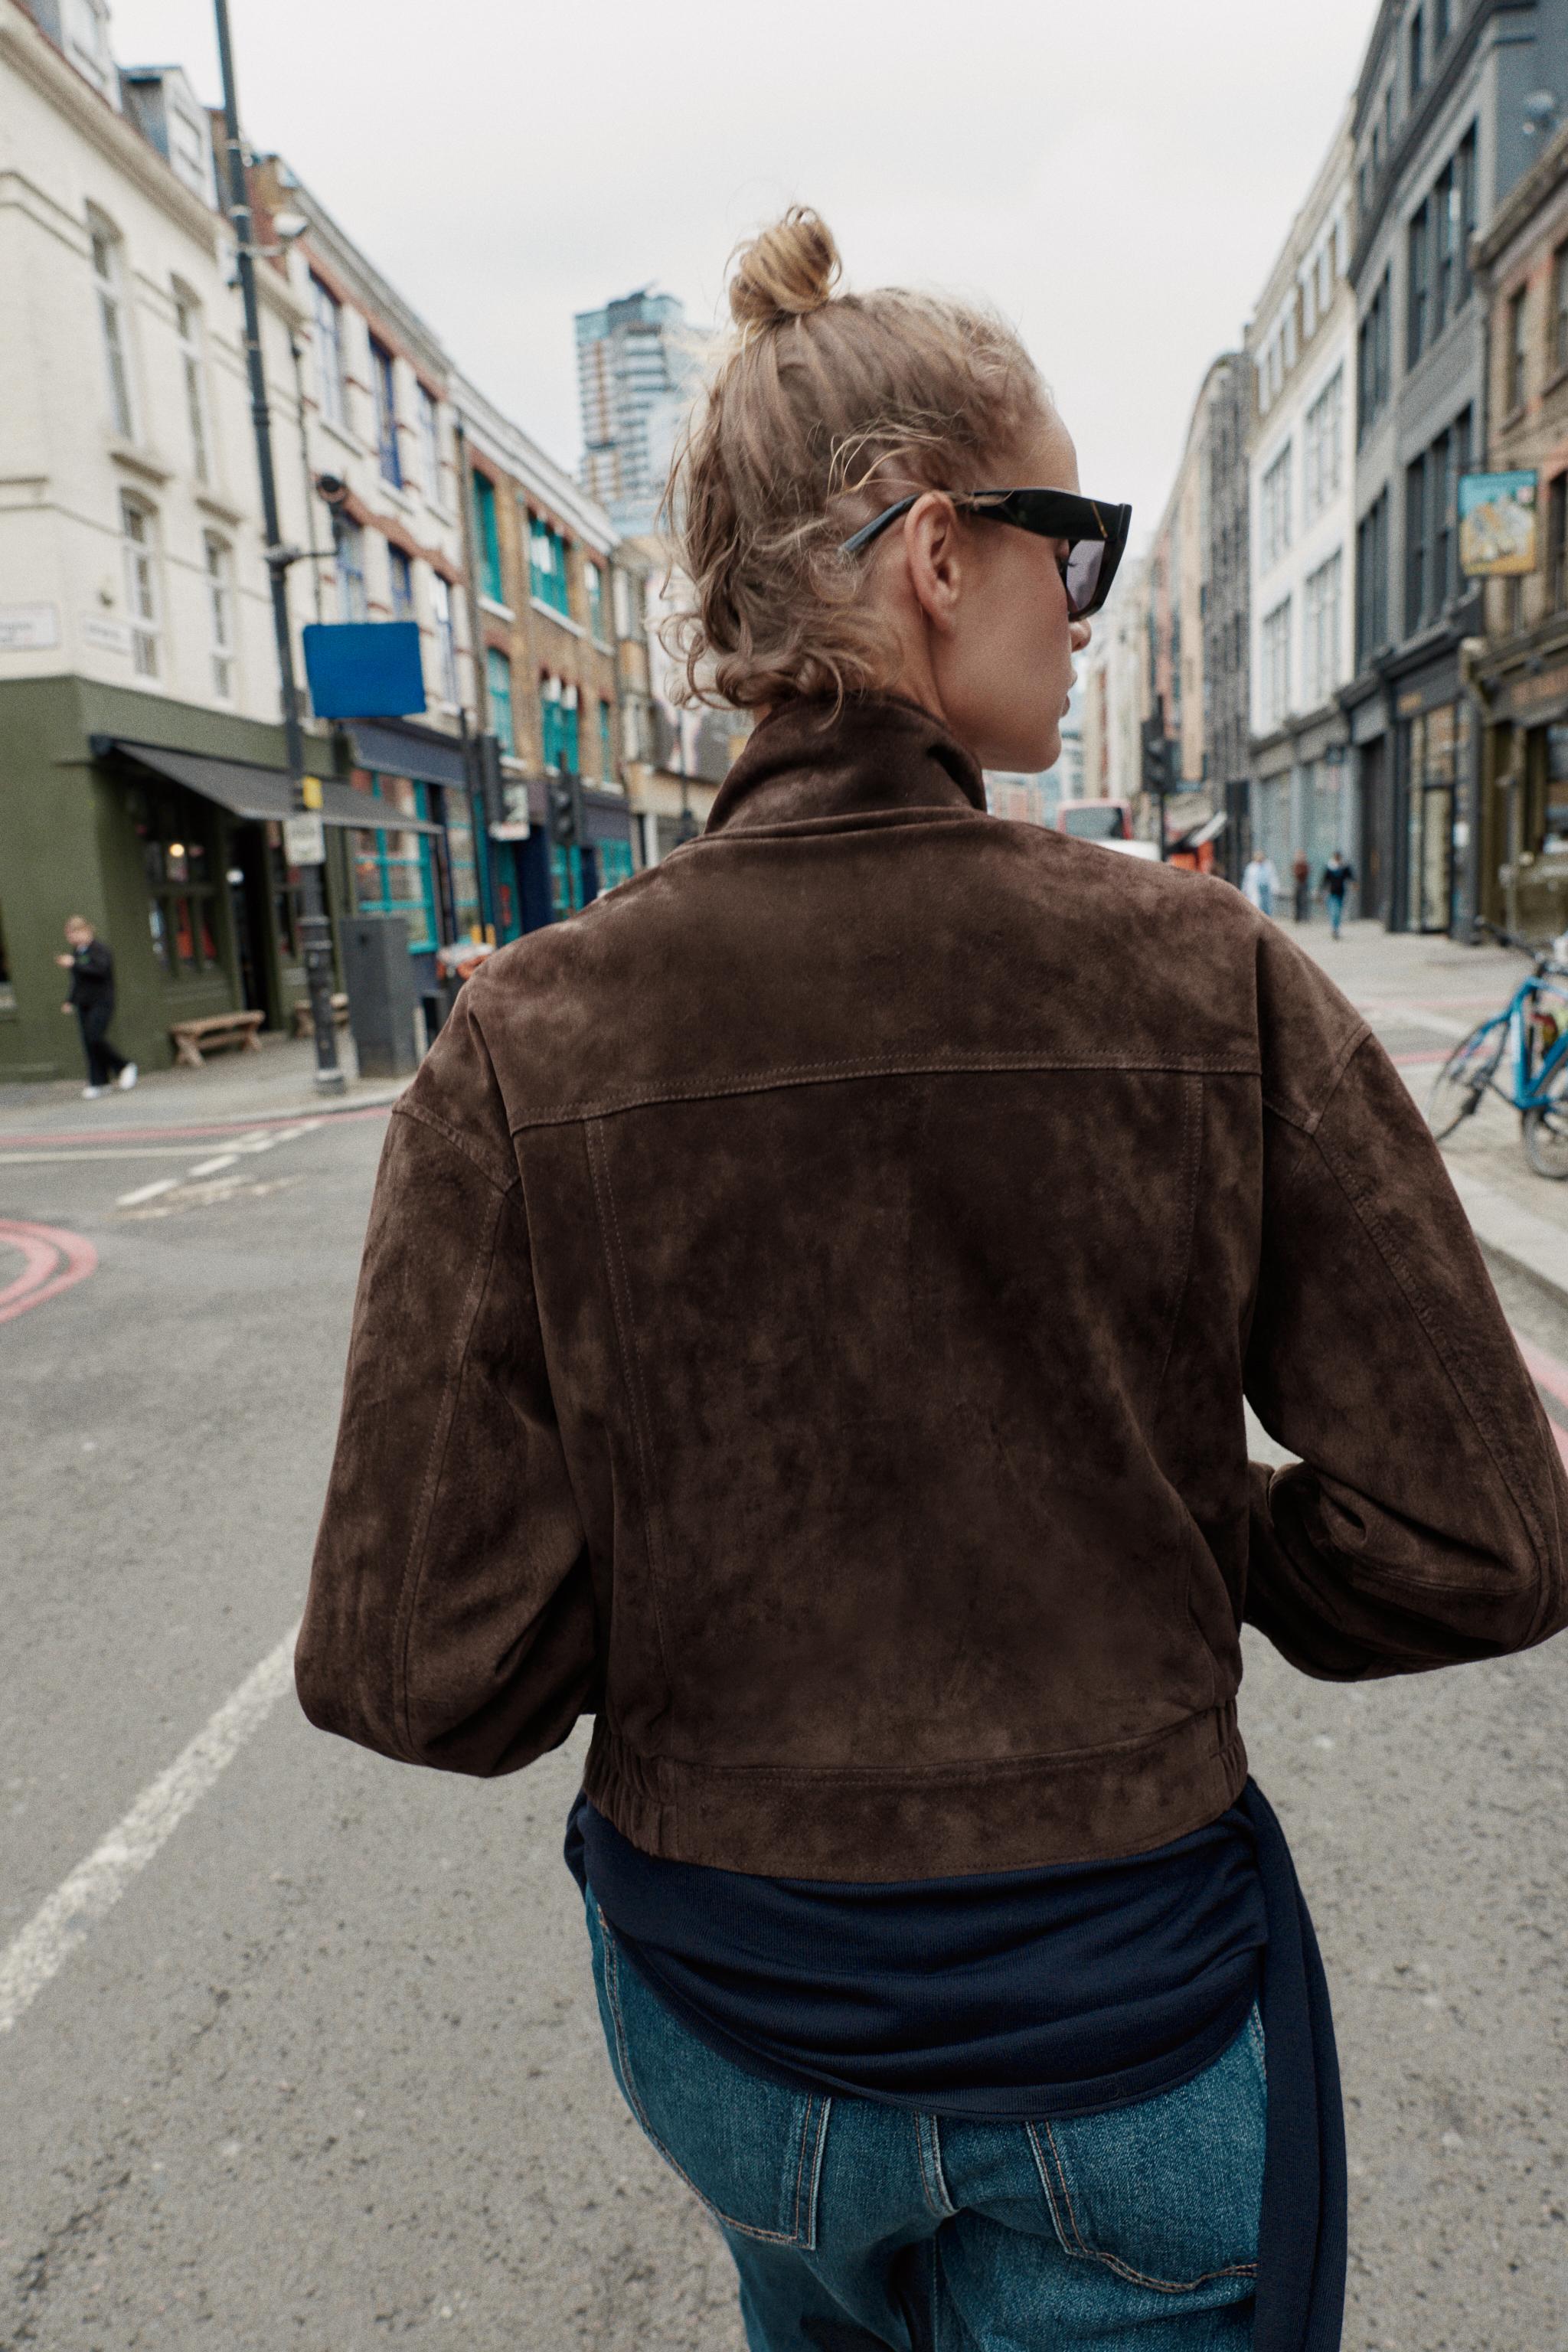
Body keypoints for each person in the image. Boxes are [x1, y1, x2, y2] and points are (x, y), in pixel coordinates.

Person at [296, 209, 1568, 2352]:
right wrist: (1202, 1537)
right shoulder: (1206, 978)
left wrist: (694, 1578)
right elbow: (1488, 1538)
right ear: (931, 554)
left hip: (732, 2018)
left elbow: (414, 1664)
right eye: (1063, 545)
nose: (1082, 611)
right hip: (1119, 2012)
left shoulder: (530, 1038)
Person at [56, 915, 136, 1099]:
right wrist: (70, 1000)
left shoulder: (99, 949)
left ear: (86, 931)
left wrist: (74, 964)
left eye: (74, 933)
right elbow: (77, 981)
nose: (71, 938)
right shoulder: (78, 952)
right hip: (84, 1003)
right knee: (88, 1043)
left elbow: (100, 971)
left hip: (102, 1001)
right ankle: (99, 1082)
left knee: (95, 1037)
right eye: (69, 935)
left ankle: (124, 1066)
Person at [1323, 849, 1354, 940]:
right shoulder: (1329, 867)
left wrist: (1354, 883)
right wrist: (1321, 892)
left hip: (1341, 893)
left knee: (1339, 912)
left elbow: (1350, 876)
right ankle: (1334, 929)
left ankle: (1336, 928)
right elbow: (1325, 880)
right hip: (1331, 894)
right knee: (1334, 912)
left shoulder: (1344, 867)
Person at [1240, 849, 1278, 917]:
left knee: (1267, 907)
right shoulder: (1251, 867)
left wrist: (1275, 888)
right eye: (1258, 857)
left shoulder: (1269, 865)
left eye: (1261, 857)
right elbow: (1247, 880)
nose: (1259, 858)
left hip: (1267, 889)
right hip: (1256, 890)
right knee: (1257, 906)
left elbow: (1273, 877)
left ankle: (1268, 920)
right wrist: (1244, 890)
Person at [1291, 851, 1311, 924]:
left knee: (1304, 901)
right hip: (1297, 883)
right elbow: (1295, 873)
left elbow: (1304, 873)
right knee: (1296, 901)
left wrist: (1300, 872)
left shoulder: (1305, 865)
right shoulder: (1296, 865)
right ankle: (1297, 918)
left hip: (1304, 883)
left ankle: (1304, 917)